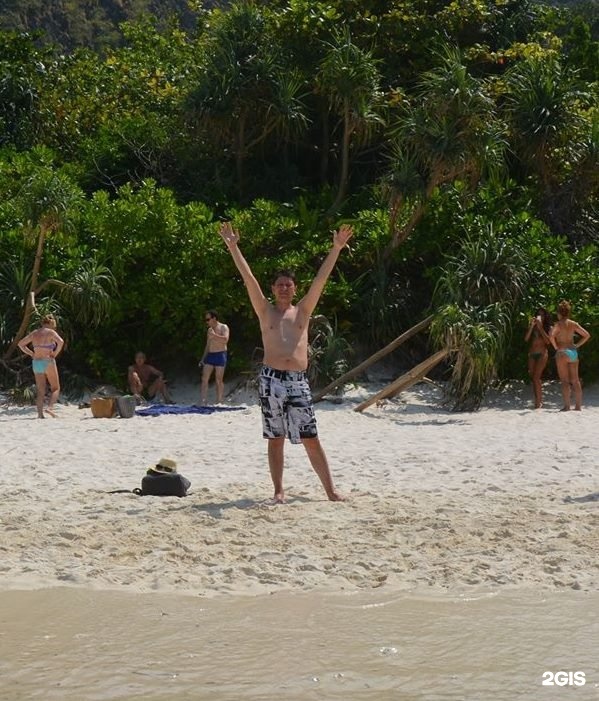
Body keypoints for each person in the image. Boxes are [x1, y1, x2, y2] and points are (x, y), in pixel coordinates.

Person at [219, 220, 352, 503]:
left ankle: (330, 490)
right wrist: (233, 247)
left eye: (287, 285)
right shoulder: (265, 311)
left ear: (294, 289)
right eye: (279, 285)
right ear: (273, 288)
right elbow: (248, 279)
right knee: (275, 437)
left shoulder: (302, 311)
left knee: (310, 437)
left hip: (297, 381)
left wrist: (336, 248)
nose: (283, 288)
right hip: (271, 380)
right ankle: (278, 490)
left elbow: (320, 281)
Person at [18, 314, 65, 418]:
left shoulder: (35, 333)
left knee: (40, 390)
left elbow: (21, 344)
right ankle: (50, 408)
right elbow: (61, 342)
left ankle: (40, 414)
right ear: (51, 323)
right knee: (55, 388)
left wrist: (31, 353)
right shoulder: (51, 332)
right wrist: (55, 353)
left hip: (37, 362)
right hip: (48, 360)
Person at [550, 300, 591, 411]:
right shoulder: (573, 323)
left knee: (565, 381)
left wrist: (556, 347)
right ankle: (578, 406)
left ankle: (567, 406)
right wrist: (577, 345)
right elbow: (587, 335)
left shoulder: (558, 324)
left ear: (559, 313)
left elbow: (551, 337)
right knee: (576, 380)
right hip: (573, 352)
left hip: (562, 352)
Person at [524, 307, 552, 409]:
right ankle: (538, 399)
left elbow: (548, 342)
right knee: (534, 378)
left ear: (545, 316)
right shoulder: (533, 326)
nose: (540, 317)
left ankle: (538, 402)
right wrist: (532, 326)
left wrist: (540, 328)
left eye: (542, 315)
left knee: (536, 377)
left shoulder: (548, 328)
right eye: (538, 315)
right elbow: (526, 339)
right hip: (532, 354)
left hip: (542, 354)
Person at [200, 310, 229, 405]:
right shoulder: (209, 330)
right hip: (210, 355)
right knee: (204, 378)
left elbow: (225, 340)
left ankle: (219, 400)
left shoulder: (223, 327)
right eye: (206, 320)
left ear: (214, 318)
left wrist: (214, 336)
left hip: (220, 354)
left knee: (218, 380)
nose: (207, 322)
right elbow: (208, 345)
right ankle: (203, 400)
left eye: (208, 319)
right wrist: (203, 358)